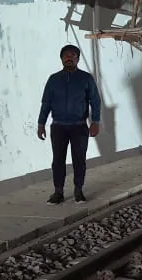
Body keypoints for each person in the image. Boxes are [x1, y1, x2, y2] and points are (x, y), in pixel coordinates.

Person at [37, 44, 101, 204]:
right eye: (66, 55)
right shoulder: (53, 79)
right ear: (61, 58)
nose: (69, 57)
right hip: (58, 127)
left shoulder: (86, 78)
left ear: (77, 59)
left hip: (79, 126)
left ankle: (78, 191)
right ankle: (58, 192)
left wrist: (95, 121)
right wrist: (41, 123)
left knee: (79, 160)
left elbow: (95, 100)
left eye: (73, 55)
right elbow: (46, 103)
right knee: (58, 160)